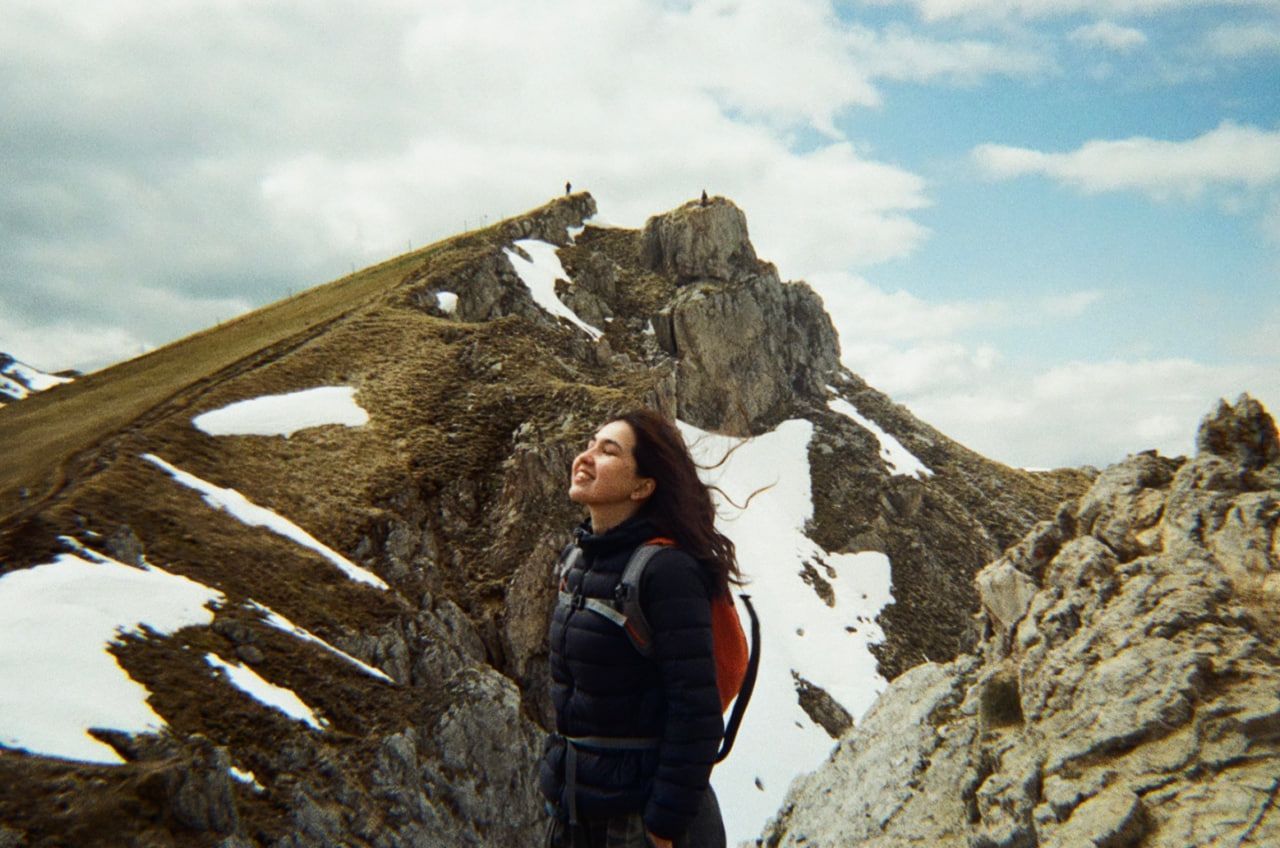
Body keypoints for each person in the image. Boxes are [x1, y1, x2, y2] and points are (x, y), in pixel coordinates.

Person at [540, 408, 737, 848]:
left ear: (643, 486)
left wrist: (663, 826)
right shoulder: (578, 561)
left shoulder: (667, 571)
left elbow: (697, 713)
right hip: (576, 813)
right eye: (590, 444)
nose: (586, 456)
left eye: (608, 451)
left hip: (638, 821)